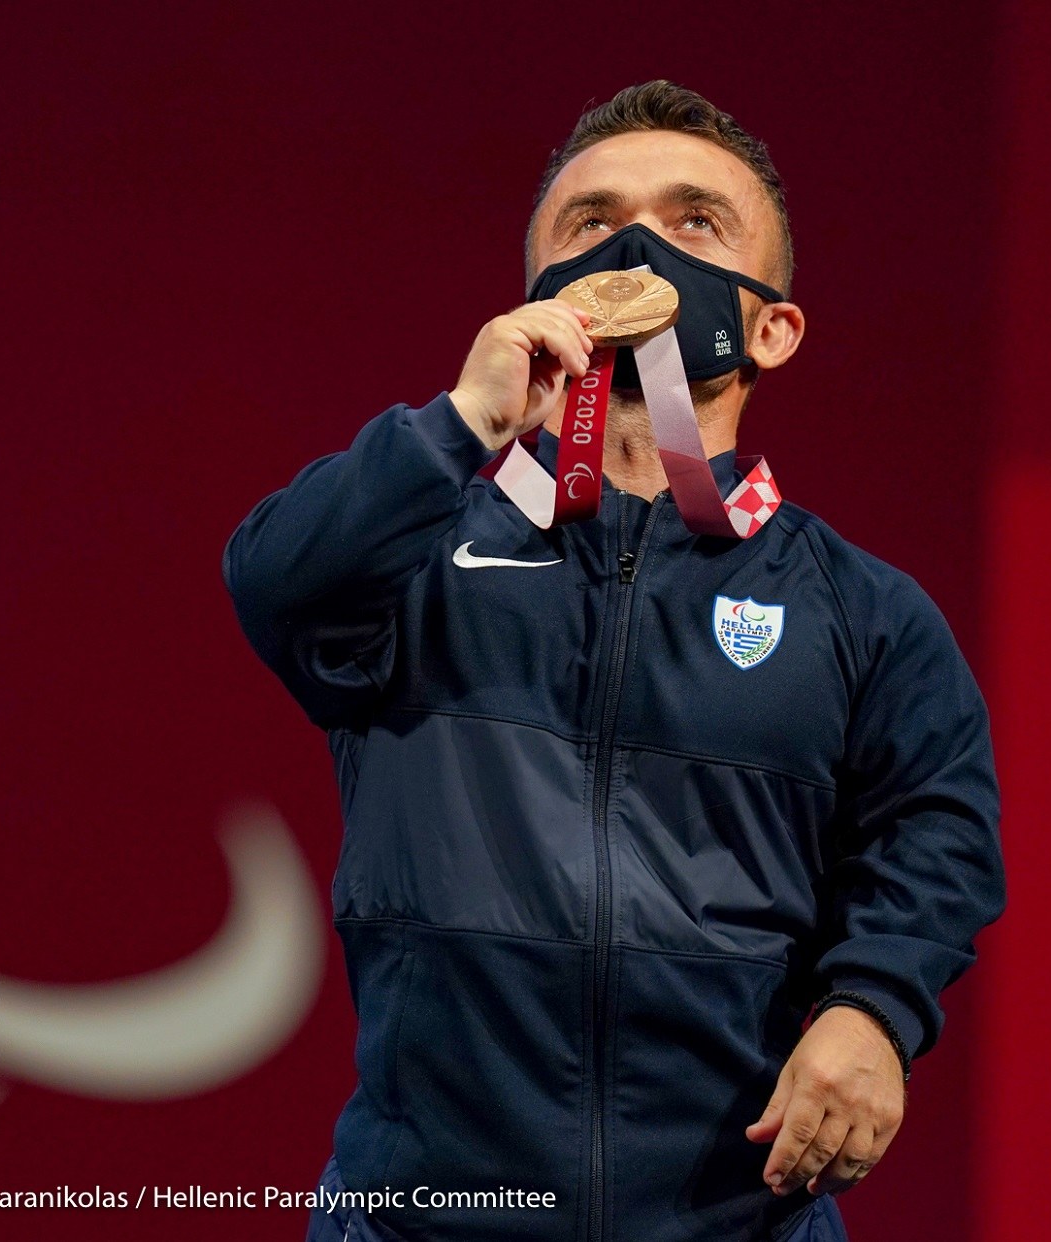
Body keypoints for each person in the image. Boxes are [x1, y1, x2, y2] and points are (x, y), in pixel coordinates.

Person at [222, 81, 1007, 1242]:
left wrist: (873, 1011)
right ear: (540, 296)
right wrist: (465, 423)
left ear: (773, 328)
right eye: (592, 222)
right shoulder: (420, 556)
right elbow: (274, 581)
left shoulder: (864, 611)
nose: (636, 247)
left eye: (696, 221)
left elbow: (936, 833)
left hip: (739, 1224)